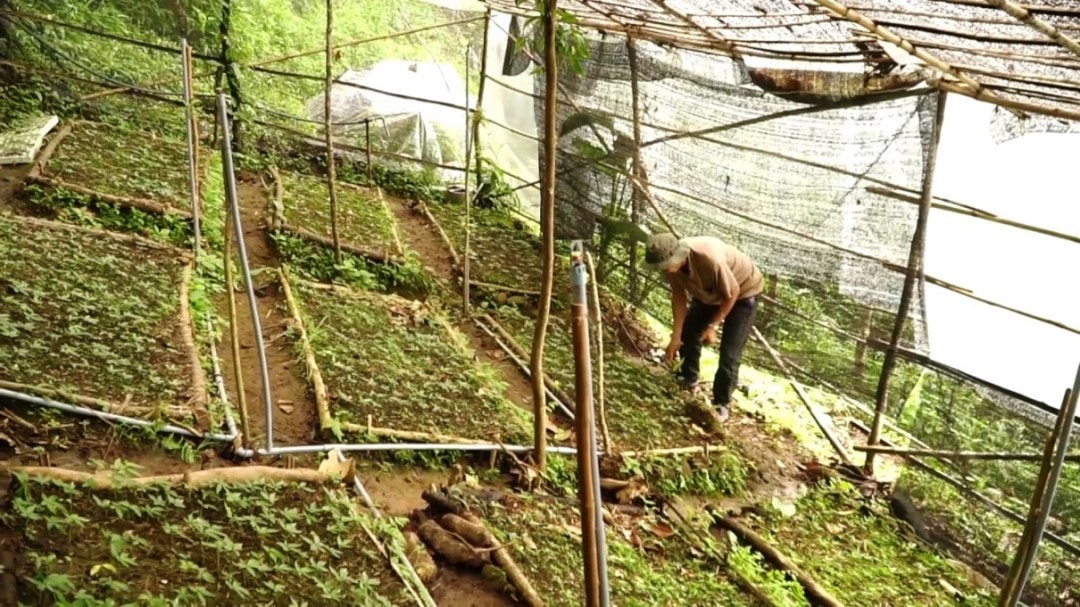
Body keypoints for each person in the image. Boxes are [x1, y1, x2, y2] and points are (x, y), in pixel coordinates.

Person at [643, 233, 762, 422]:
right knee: (689, 330)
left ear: (678, 255)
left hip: (742, 293)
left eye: (666, 265)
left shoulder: (709, 259)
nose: (665, 270)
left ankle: (721, 403)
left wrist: (713, 325)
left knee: (729, 352)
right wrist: (676, 336)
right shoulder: (670, 269)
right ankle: (689, 378)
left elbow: (732, 292)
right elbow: (679, 298)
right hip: (708, 293)